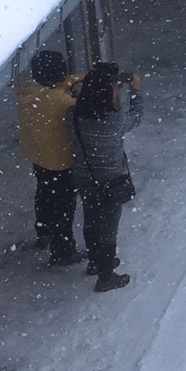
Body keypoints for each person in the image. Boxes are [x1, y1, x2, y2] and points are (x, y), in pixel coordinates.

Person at [69, 60, 143, 292]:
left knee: (91, 220)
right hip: (111, 183)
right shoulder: (115, 121)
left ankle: (95, 261)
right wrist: (136, 90)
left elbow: (84, 98)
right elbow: (137, 116)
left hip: (84, 178)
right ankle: (106, 275)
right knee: (108, 229)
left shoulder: (72, 115)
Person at [15, 50, 84, 265]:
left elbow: (53, 92)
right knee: (64, 205)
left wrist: (77, 78)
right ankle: (63, 250)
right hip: (60, 162)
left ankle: (44, 230)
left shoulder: (27, 95)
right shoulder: (63, 102)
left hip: (38, 157)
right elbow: (80, 109)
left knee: (44, 194)